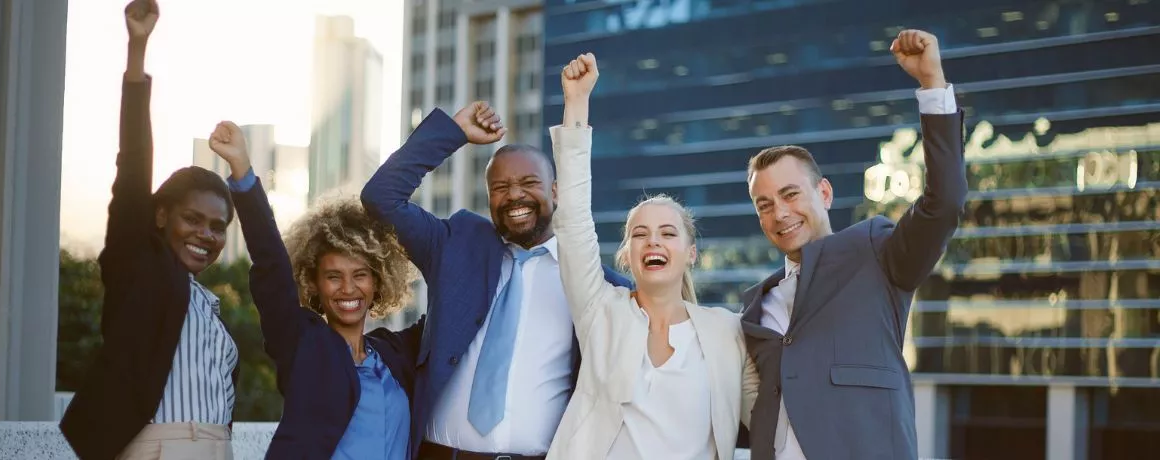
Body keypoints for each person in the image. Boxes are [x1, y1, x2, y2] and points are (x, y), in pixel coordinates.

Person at [739, 29, 967, 460]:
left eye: (790, 195)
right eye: (764, 204)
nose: (780, 213)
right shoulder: (753, 307)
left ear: (824, 194)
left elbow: (945, 204)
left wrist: (931, 85)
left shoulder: (876, 253)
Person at [360, 100, 633, 459]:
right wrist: (453, 132)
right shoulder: (456, 246)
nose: (514, 195)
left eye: (529, 183)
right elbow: (381, 198)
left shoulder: (600, 287)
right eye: (500, 187)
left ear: (555, 191)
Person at [546, 53, 758, 460]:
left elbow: (771, 422)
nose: (653, 242)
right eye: (640, 235)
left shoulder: (727, 332)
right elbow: (572, 223)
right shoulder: (600, 311)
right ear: (627, 255)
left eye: (667, 233)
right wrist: (577, 102)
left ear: (690, 252)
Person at [60, 1, 241, 458]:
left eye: (217, 227)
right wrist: (137, 51)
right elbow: (134, 162)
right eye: (193, 219)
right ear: (161, 216)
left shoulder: (207, 302)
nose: (206, 234)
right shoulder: (138, 265)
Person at [206, 121, 422, 459]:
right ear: (313, 282)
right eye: (333, 276)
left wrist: (454, 131)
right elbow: (270, 263)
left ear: (378, 280)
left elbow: (459, 305)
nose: (348, 288)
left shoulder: (396, 354)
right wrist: (243, 172)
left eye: (360, 274)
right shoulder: (303, 343)